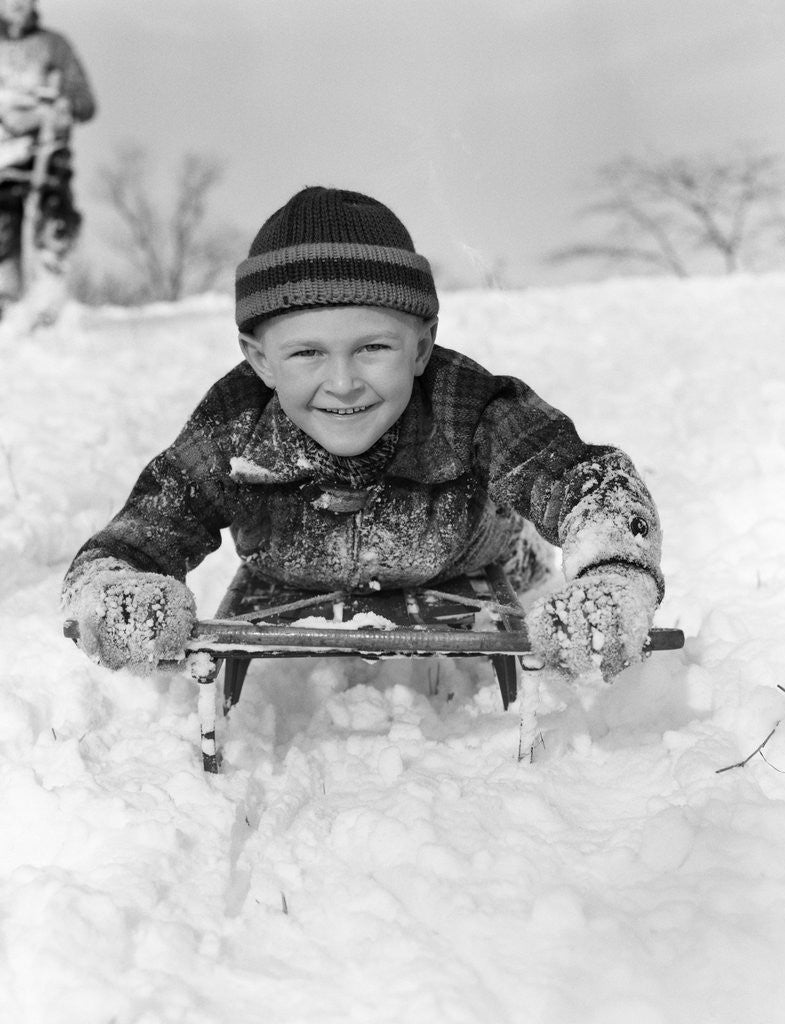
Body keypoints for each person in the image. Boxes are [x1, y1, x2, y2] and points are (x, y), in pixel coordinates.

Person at [62, 186, 664, 684]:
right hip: (294, 568)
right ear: (261, 361)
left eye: (374, 348)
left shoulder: (467, 405)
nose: (344, 383)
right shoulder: (234, 426)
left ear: (421, 347)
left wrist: (612, 574)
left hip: (462, 553)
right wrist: (119, 592)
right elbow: (129, 541)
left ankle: (526, 559)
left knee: (526, 561)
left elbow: (589, 481)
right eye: (307, 353)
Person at [0, 0, 95, 307]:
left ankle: (49, 301)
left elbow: (85, 102)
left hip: (48, 155)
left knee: (54, 224)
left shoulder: (54, 46)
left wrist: (63, 105)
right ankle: (6, 304)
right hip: (3, 159)